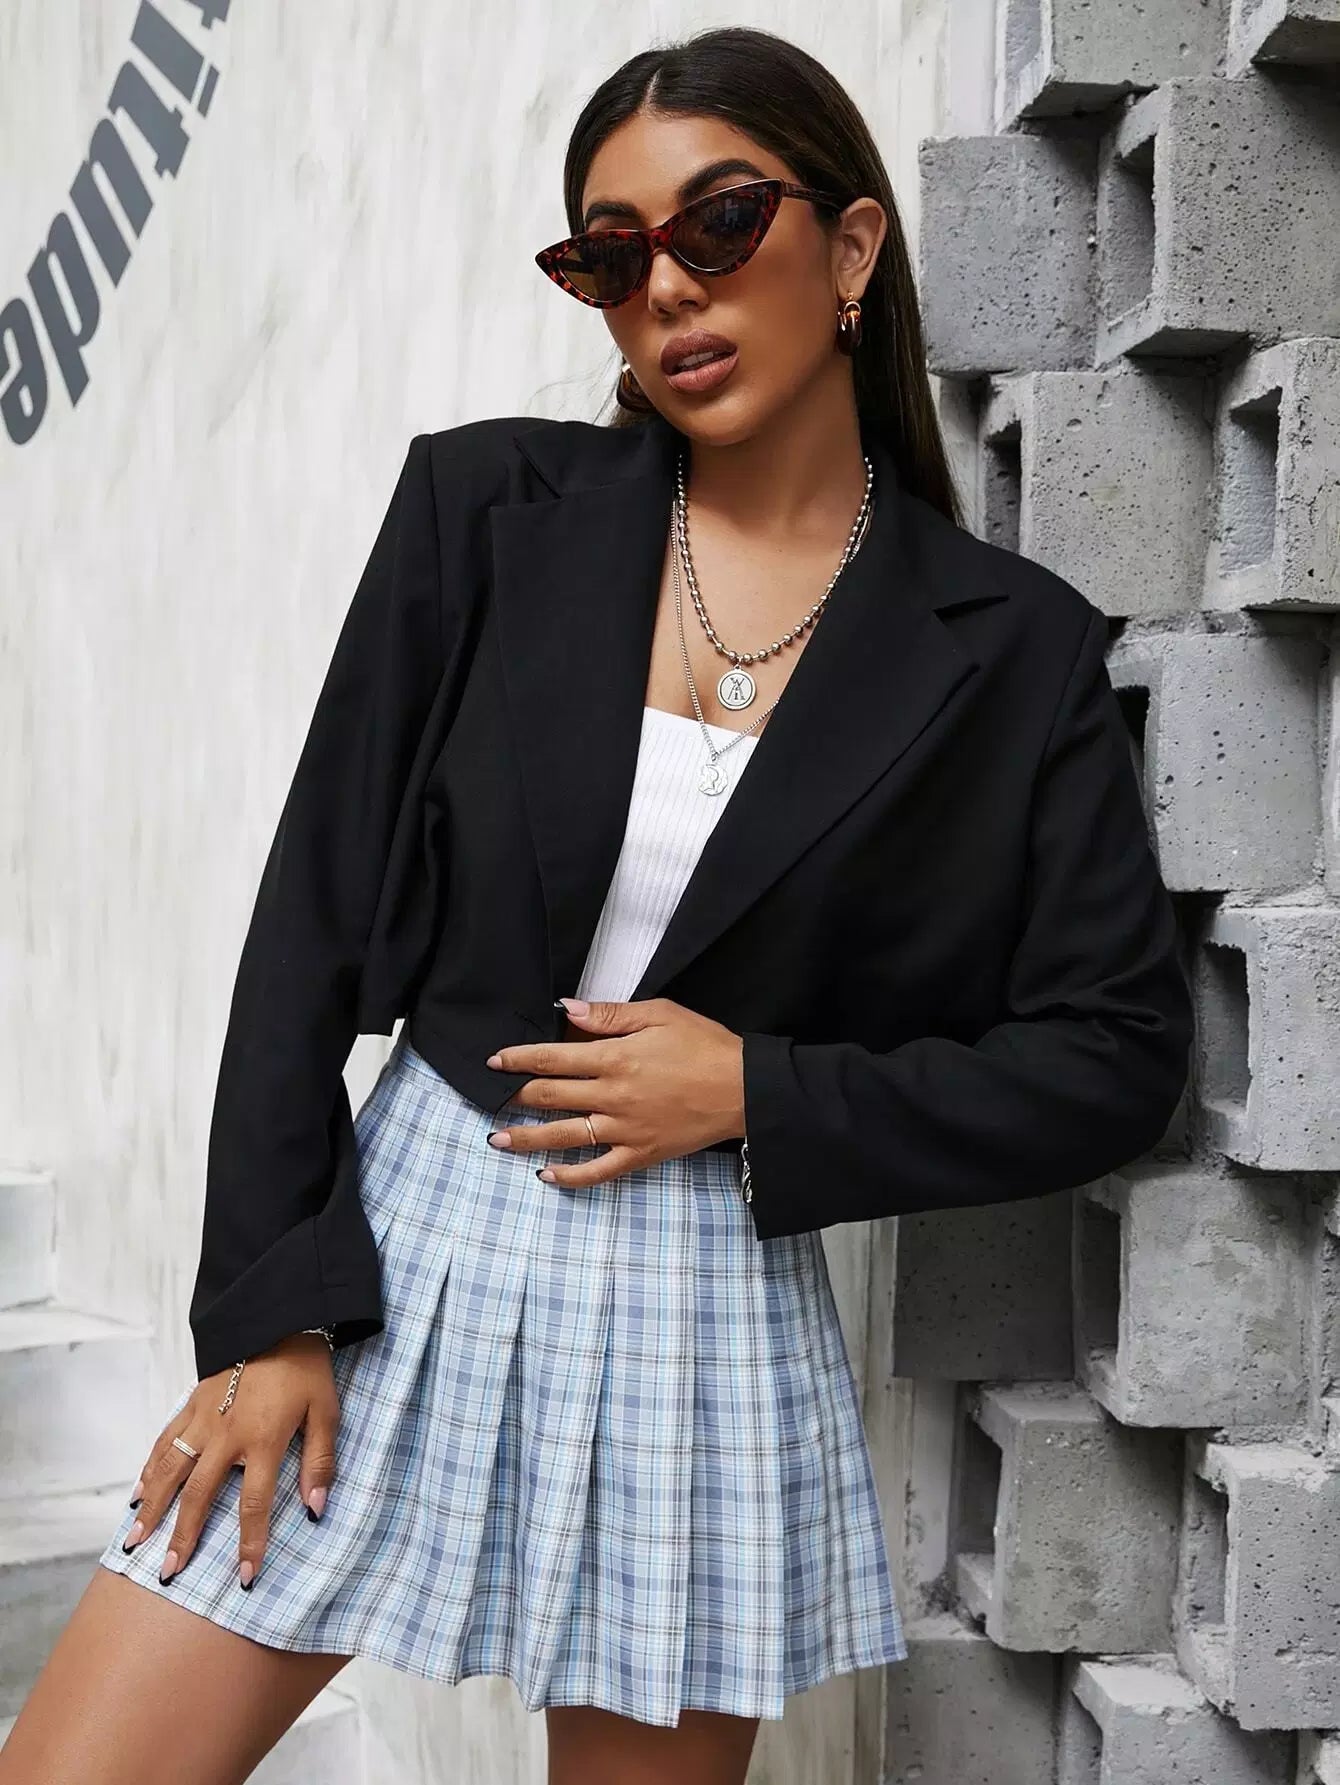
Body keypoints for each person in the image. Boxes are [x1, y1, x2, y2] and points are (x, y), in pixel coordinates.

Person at [0, 24, 1192, 1785]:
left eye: (720, 223)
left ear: (853, 248)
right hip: (401, 1246)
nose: (670, 288)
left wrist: (760, 1090)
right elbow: (308, 923)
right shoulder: (486, 511)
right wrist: (269, 1310)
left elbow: (1116, 1053)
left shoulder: (1009, 651)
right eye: (613, 256)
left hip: (702, 1311)